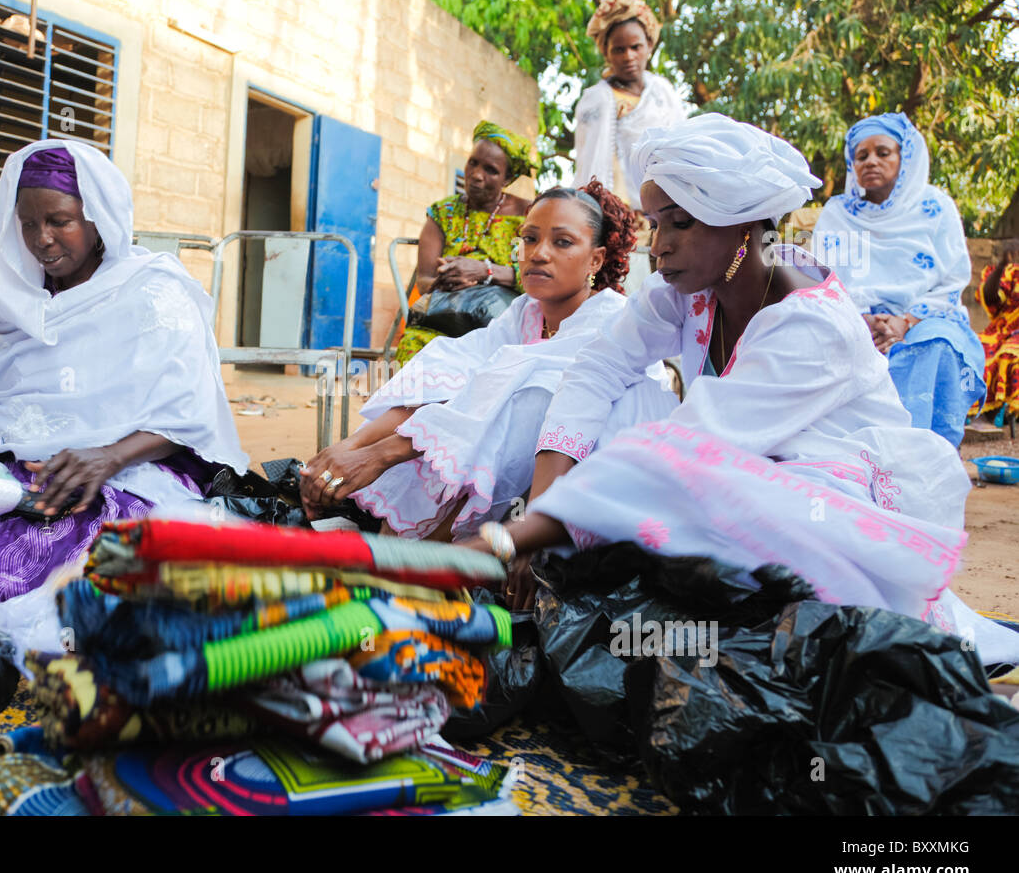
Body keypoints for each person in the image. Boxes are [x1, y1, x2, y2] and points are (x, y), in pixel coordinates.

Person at [457, 113, 1019, 667]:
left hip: (832, 491)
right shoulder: (691, 287)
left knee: (734, 509)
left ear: (742, 225)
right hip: (724, 464)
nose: (660, 246)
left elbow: (691, 450)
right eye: (656, 224)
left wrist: (514, 539)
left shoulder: (811, 326)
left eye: (679, 223)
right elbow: (598, 367)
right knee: (612, 401)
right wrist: (542, 503)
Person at [0, 140, 249, 601]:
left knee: (95, 572)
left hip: (134, 466)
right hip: (32, 471)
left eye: (59, 221)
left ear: (97, 218)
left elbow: (189, 412)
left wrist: (107, 456)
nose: (41, 239)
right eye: (28, 224)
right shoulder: (20, 305)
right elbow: (16, 400)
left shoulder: (153, 292)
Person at [302, 181, 676, 538]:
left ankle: (441, 549)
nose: (539, 253)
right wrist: (349, 449)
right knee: (448, 360)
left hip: (600, 487)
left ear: (595, 260)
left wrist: (382, 456)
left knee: (524, 393)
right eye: (530, 238)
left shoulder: (610, 319)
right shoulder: (526, 313)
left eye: (562, 242)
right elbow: (449, 372)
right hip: (526, 479)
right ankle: (414, 539)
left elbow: (510, 403)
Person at [811, 113, 984, 446]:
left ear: (905, 158)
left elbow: (951, 280)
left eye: (883, 152)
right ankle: (851, 463)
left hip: (926, 316)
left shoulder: (935, 206)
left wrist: (906, 321)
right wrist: (861, 319)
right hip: (853, 318)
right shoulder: (837, 214)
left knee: (936, 345)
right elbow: (822, 279)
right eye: (861, 156)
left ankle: (925, 454)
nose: (871, 161)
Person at [395, 121, 537, 364]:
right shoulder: (443, 213)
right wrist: (449, 279)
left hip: (503, 325)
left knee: (500, 364)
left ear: (508, 178)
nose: (476, 175)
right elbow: (424, 280)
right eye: (473, 162)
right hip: (444, 318)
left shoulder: (529, 215)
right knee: (413, 351)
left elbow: (536, 277)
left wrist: (485, 272)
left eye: (491, 170)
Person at [571, 0, 686, 208]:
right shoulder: (595, 100)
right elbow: (590, 162)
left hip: (668, 209)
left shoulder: (663, 92)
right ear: (606, 53)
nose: (628, 56)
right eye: (619, 50)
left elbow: (683, 148)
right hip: (616, 213)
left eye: (636, 47)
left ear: (649, 46)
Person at [969, 243, 1019, 430]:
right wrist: (1000, 267)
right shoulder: (1011, 272)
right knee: (975, 349)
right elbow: (991, 298)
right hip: (1002, 331)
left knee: (1010, 353)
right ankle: (981, 415)